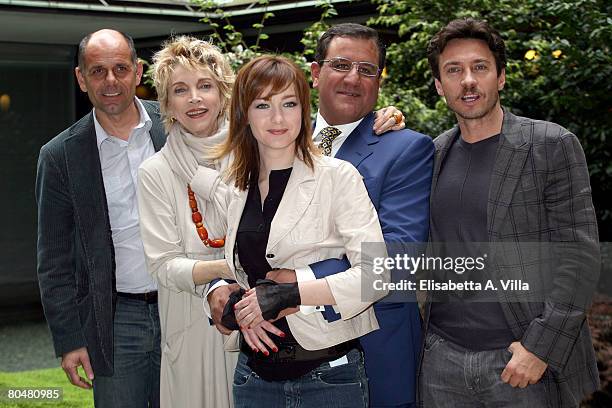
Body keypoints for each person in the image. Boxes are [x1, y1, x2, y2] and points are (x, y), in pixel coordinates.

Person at [419, 18, 600, 407]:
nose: (468, 80)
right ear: (439, 86)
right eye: (454, 70)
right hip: (440, 365)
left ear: (500, 77)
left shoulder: (551, 144)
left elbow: (579, 256)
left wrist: (540, 348)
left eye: (479, 67)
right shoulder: (431, 154)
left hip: (521, 364)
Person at [199, 54, 389, 407]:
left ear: (304, 109)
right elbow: (223, 263)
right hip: (252, 378)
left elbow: (376, 276)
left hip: (328, 377)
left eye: (289, 103)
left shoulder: (338, 177)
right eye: (262, 105)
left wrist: (293, 294)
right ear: (243, 114)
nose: (278, 118)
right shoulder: (232, 185)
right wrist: (224, 297)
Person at [274, 23, 433, 408]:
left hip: (372, 351)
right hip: (279, 355)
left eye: (366, 69)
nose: (352, 78)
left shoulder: (406, 149)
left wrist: (298, 282)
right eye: (341, 65)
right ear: (314, 73)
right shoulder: (277, 140)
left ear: (379, 80)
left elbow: (398, 258)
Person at [35, 29, 163, 407]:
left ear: (138, 72)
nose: (111, 81)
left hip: (184, 308)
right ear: (81, 78)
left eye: (120, 68)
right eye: (98, 71)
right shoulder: (60, 156)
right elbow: (53, 261)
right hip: (115, 321)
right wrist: (70, 339)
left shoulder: (176, 128)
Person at [137, 36, 239, 407]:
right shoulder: (155, 172)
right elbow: (164, 265)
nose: (194, 98)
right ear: (167, 104)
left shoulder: (258, 152)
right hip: (189, 322)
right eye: (180, 90)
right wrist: (229, 269)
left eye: (205, 85)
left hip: (260, 317)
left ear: (223, 93)